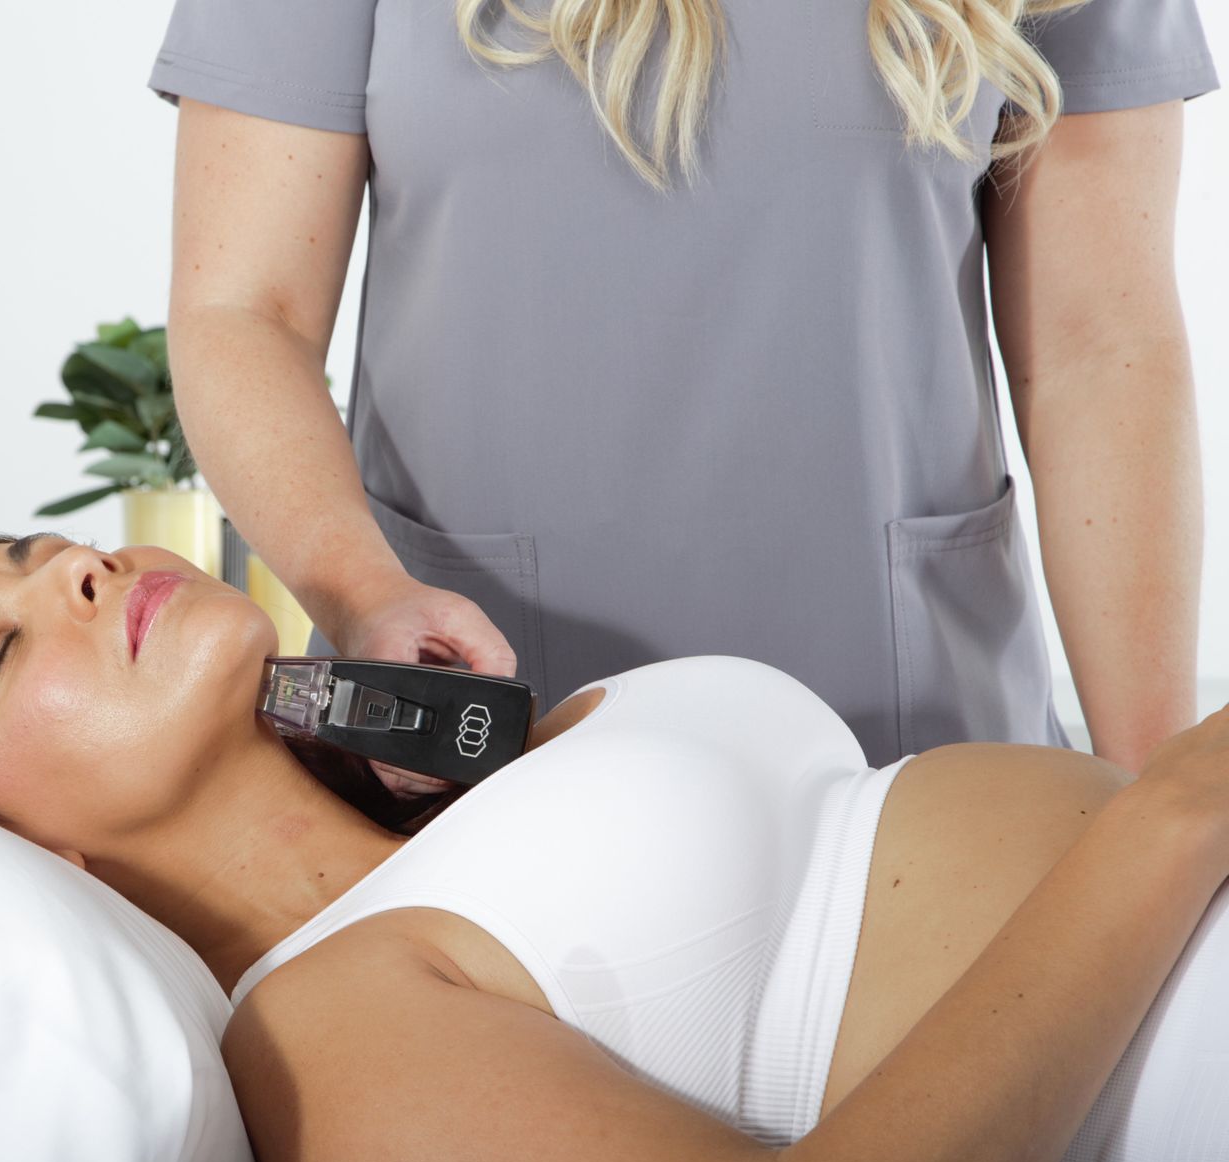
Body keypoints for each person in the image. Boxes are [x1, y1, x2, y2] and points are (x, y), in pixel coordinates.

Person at [0, 531, 1229, 1162]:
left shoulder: (472, 780)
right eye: (3, 652)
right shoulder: (326, 1041)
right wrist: (1168, 814)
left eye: (42, 550)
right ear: (35, 858)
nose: (81, 568)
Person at [144, 0, 1214, 797]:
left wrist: (1159, 800)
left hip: (918, 752)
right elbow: (247, 312)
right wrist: (360, 591)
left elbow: (1098, 345)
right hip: (483, 749)